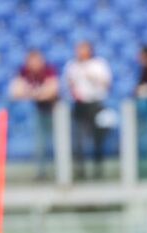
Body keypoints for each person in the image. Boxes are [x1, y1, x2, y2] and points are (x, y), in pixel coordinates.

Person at [64, 41, 112, 179]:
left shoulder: (98, 64)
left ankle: (98, 169)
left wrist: (91, 76)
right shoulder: (72, 66)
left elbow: (106, 83)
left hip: (95, 104)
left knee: (98, 138)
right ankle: (80, 170)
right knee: (77, 139)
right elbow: (67, 85)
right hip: (79, 105)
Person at [9, 50, 59, 180]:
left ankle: (60, 172)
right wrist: (37, 93)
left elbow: (52, 91)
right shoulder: (24, 71)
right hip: (39, 110)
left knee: (58, 142)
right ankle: (41, 173)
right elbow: (14, 91)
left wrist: (32, 93)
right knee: (40, 144)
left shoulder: (48, 70)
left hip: (55, 111)